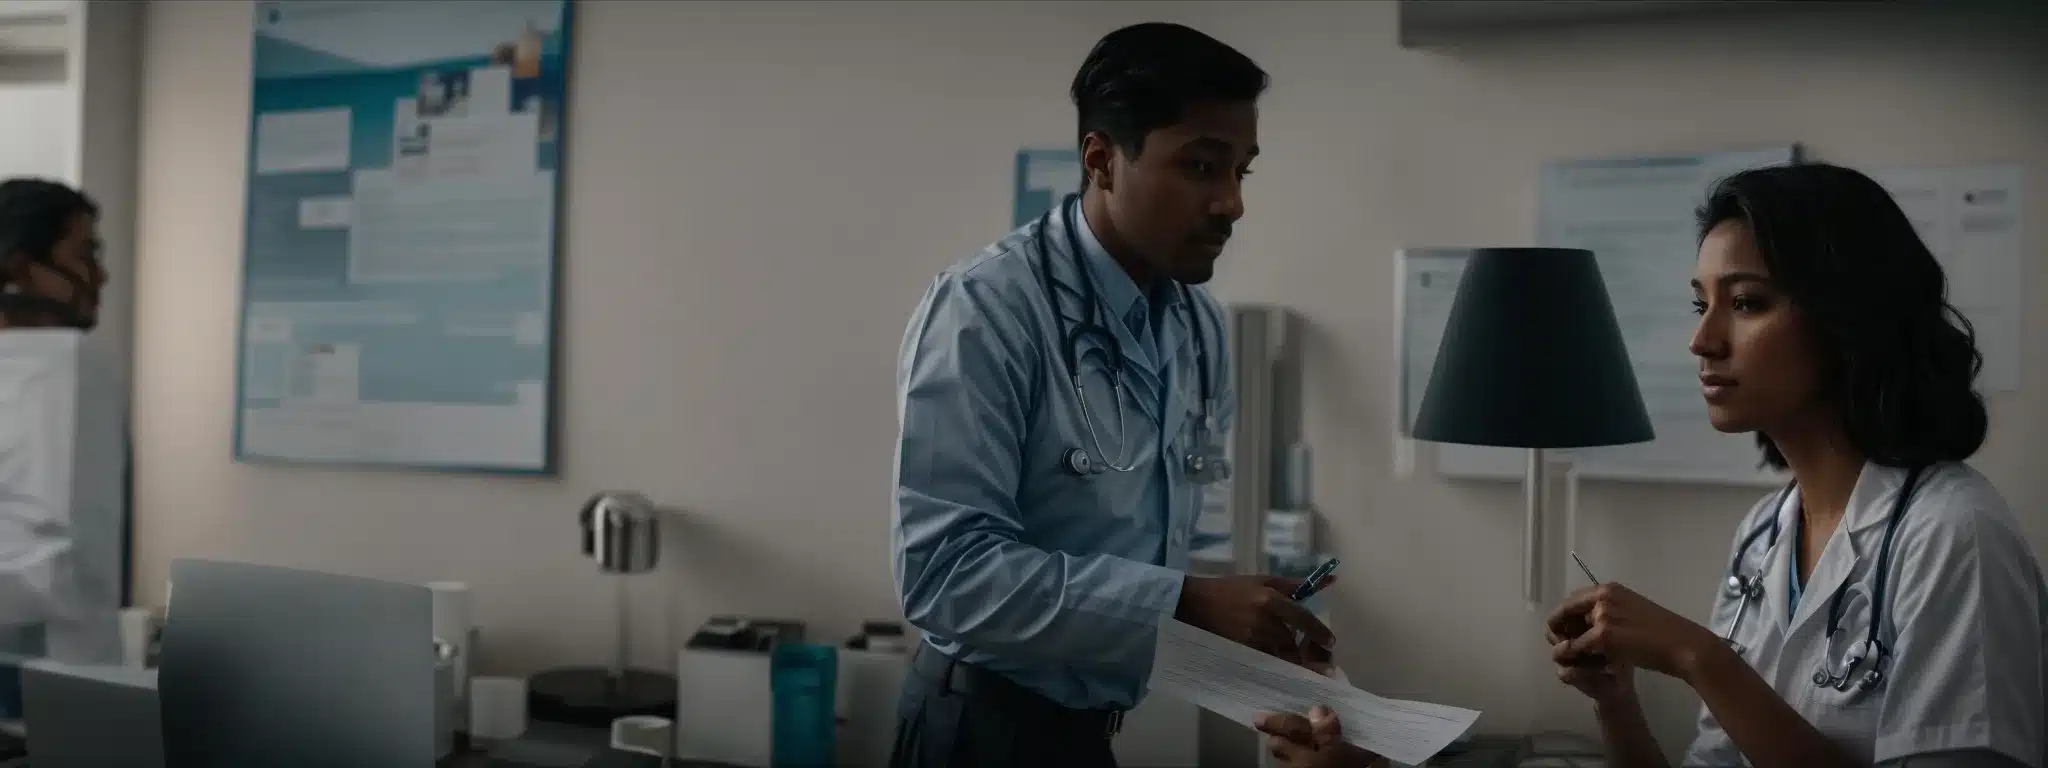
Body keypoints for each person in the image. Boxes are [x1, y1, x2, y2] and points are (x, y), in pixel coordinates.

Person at [1261, 163, 2048, 768]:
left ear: (1851, 318)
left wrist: (1696, 657)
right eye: (1698, 304)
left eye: (1746, 303)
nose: (1702, 342)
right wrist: (1618, 706)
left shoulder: (1955, 537)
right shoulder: (1764, 536)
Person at [889, 22, 1338, 768]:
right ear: (1101, 159)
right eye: (1201, 166)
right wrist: (1186, 600)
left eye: (1242, 172)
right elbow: (945, 577)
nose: (1231, 203)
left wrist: (1257, 645)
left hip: (1090, 737)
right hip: (976, 733)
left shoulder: (1195, 329)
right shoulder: (988, 310)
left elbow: (1148, 555)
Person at [0, 177, 126, 672]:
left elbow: (55, 566)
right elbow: (63, 569)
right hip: (52, 688)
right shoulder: (70, 363)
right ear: (21, 268)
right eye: (85, 255)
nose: (101, 276)